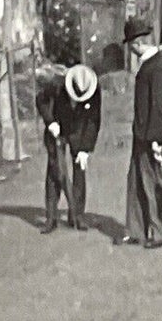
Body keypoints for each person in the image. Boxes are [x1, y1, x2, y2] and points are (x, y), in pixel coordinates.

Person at [123, 15, 162, 248]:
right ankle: (137, 230)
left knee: (151, 183)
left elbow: (160, 103)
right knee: (135, 181)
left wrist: (157, 139)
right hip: (140, 132)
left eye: (131, 44)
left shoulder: (156, 68)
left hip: (149, 135)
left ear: (137, 43)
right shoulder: (149, 65)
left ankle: (160, 232)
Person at [34, 61, 102, 232]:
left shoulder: (94, 90)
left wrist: (86, 149)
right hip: (57, 128)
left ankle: (76, 215)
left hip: (78, 130)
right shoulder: (56, 84)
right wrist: (50, 122)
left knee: (79, 168)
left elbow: (94, 120)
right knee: (54, 170)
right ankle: (51, 218)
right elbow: (40, 100)